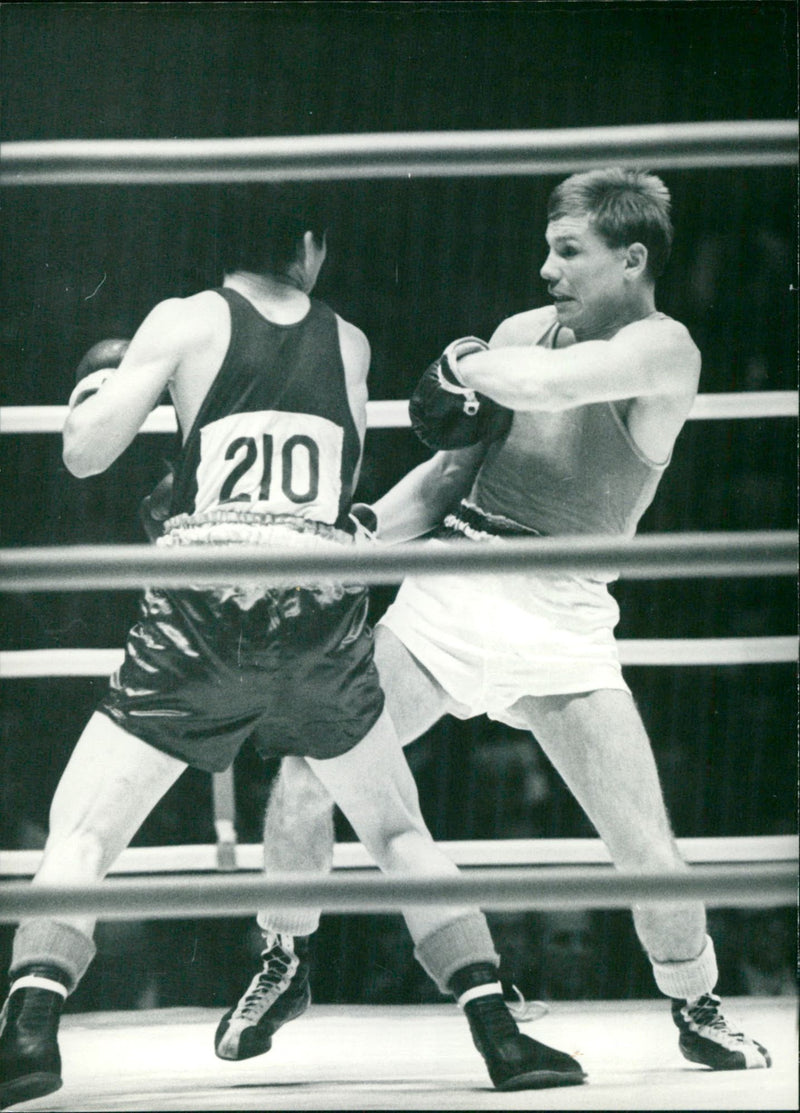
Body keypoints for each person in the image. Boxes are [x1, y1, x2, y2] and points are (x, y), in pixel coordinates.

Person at [0, 187, 585, 1109]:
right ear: (309, 246)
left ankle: (30, 1034)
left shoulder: (186, 319)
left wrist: (96, 394)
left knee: (83, 830)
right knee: (396, 829)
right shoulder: (348, 340)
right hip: (320, 615)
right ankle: (500, 1034)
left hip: (205, 612)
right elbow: (326, 489)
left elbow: (84, 454)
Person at [237, 169, 772, 1075]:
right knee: (307, 766)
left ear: (631, 257)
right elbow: (448, 478)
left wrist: (461, 362)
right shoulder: (523, 331)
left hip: (562, 616)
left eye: (570, 251)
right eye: (549, 246)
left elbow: (553, 391)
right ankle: (284, 957)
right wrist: (355, 533)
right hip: (453, 589)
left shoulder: (662, 348)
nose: (547, 267)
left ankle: (697, 1001)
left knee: (643, 842)